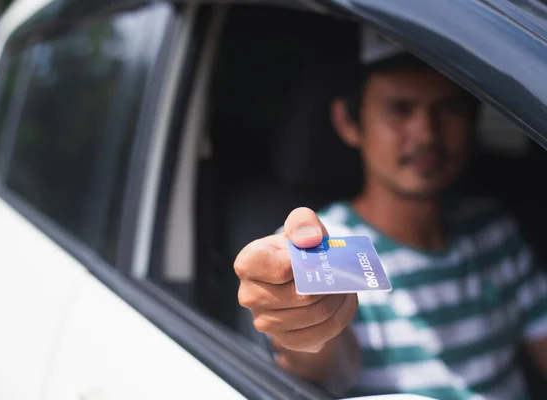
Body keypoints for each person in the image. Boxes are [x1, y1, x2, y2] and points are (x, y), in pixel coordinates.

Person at [233, 26, 547, 399]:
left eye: (450, 108)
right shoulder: (327, 247)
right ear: (349, 123)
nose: (426, 133)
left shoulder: (493, 229)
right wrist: (301, 328)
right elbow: (329, 368)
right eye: (400, 109)